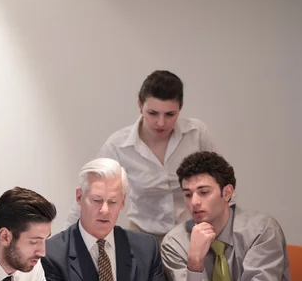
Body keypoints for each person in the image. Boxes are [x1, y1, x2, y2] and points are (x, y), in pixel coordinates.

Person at [43, 158, 180, 281]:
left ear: (123, 202)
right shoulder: (53, 253)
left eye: (113, 202)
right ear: (79, 197)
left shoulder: (145, 247)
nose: (105, 210)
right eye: (97, 200)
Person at [64, 70, 215, 243]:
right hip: (143, 235)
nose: (161, 122)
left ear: (180, 108)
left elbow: (222, 184)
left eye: (169, 115)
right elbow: (88, 193)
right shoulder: (118, 145)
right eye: (152, 113)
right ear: (140, 105)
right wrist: (63, 243)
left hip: (194, 230)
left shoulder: (196, 134)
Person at [161, 151, 297, 281]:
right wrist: (194, 261)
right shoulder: (175, 242)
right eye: (187, 194)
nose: (194, 202)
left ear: (227, 192)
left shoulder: (261, 230)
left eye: (203, 192)